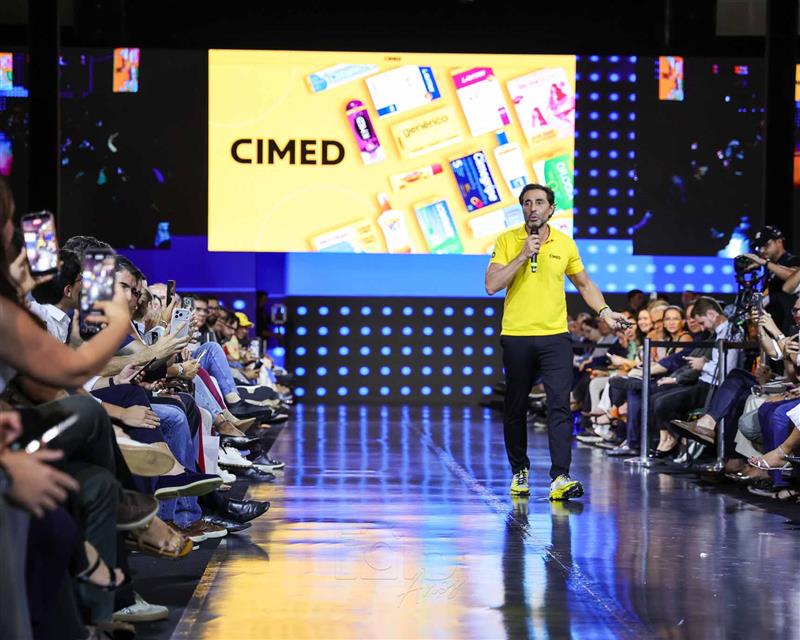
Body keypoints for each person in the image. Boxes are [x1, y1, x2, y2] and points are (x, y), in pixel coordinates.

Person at [485, 183, 628, 500]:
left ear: (551, 209)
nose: (532, 208)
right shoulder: (508, 240)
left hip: (554, 337)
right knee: (515, 406)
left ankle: (560, 476)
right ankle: (519, 471)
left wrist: (605, 312)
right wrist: (523, 255)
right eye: (527, 203)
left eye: (539, 202)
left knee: (559, 404)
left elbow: (584, 284)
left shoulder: (564, 243)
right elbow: (492, 284)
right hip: (517, 336)